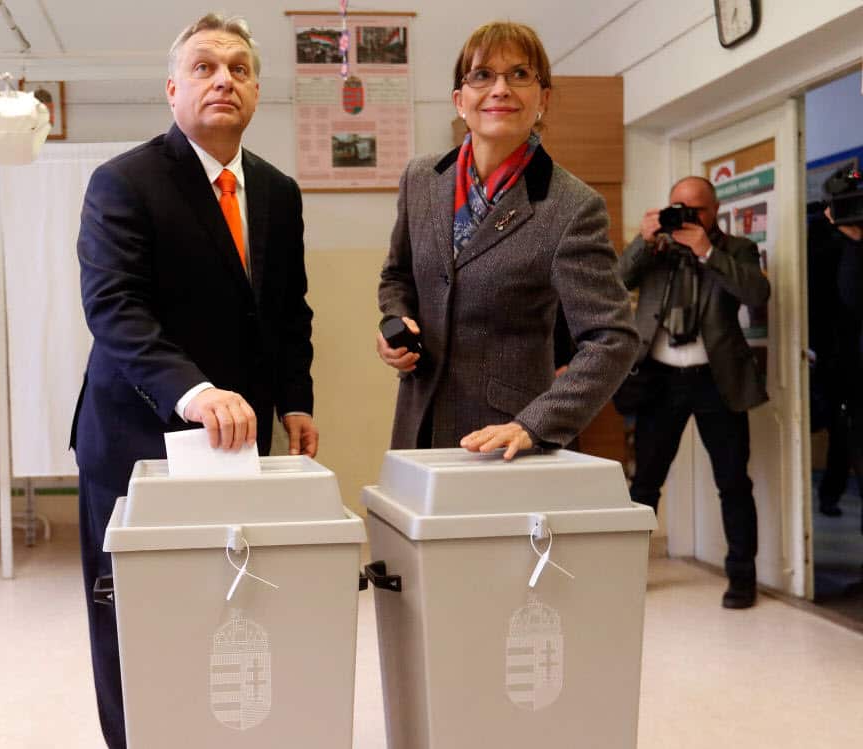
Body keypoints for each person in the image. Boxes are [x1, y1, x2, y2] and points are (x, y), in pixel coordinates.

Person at [69, 13, 317, 747]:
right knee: (132, 620)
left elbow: (288, 308)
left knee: (228, 611)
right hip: (134, 437)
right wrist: (192, 389)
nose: (223, 79)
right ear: (173, 89)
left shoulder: (278, 191)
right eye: (205, 67)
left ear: (257, 91)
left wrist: (297, 398)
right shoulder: (123, 182)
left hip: (238, 444)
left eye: (239, 68)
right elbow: (115, 308)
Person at [376, 20, 638, 458]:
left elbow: (614, 339)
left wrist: (533, 425)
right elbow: (397, 276)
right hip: (417, 425)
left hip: (506, 440)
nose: (500, 89)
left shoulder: (572, 206)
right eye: (483, 75)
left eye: (519, 74)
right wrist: (395, 323)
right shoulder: (421, 178)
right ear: (461, 101)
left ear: (543, 99)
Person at [619, 176, 770, 609]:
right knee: (645, 484)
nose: (685, 216)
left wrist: (707, 251)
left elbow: (757, 292)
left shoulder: (735, 249)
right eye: (677, 207)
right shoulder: (656, 248)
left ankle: (742, 578)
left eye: (695, 209)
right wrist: (642, 241)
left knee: (733, 484)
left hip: (715, 379)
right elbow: (613, 283)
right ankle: (628, 576)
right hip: (659, 380)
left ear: (714, 211)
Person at [807, 199, 863, 523]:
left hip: (848, 361)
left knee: (845, 438)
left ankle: (831, 493)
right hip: (832, 359)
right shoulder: (822, 242)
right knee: (839, 435)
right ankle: (829, 494)